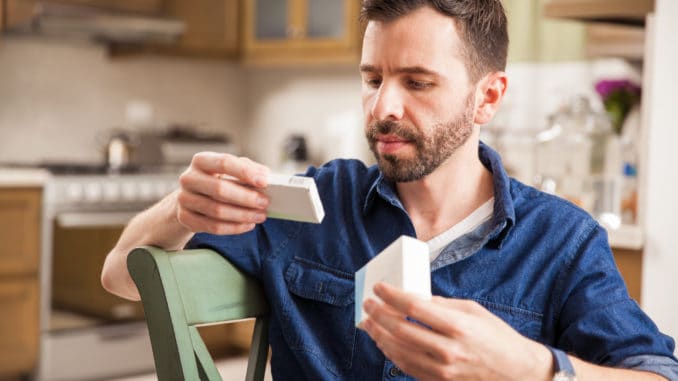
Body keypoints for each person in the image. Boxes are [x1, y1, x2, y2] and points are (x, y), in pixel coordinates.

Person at [101, 1, 678, 380]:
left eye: (417, 82)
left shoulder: (561, 240)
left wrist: (531, 367)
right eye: (372, 78)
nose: (384, 107)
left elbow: (656, 374)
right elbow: (123, 277)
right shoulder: (311, 206)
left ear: (489, 97)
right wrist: (181, 209)